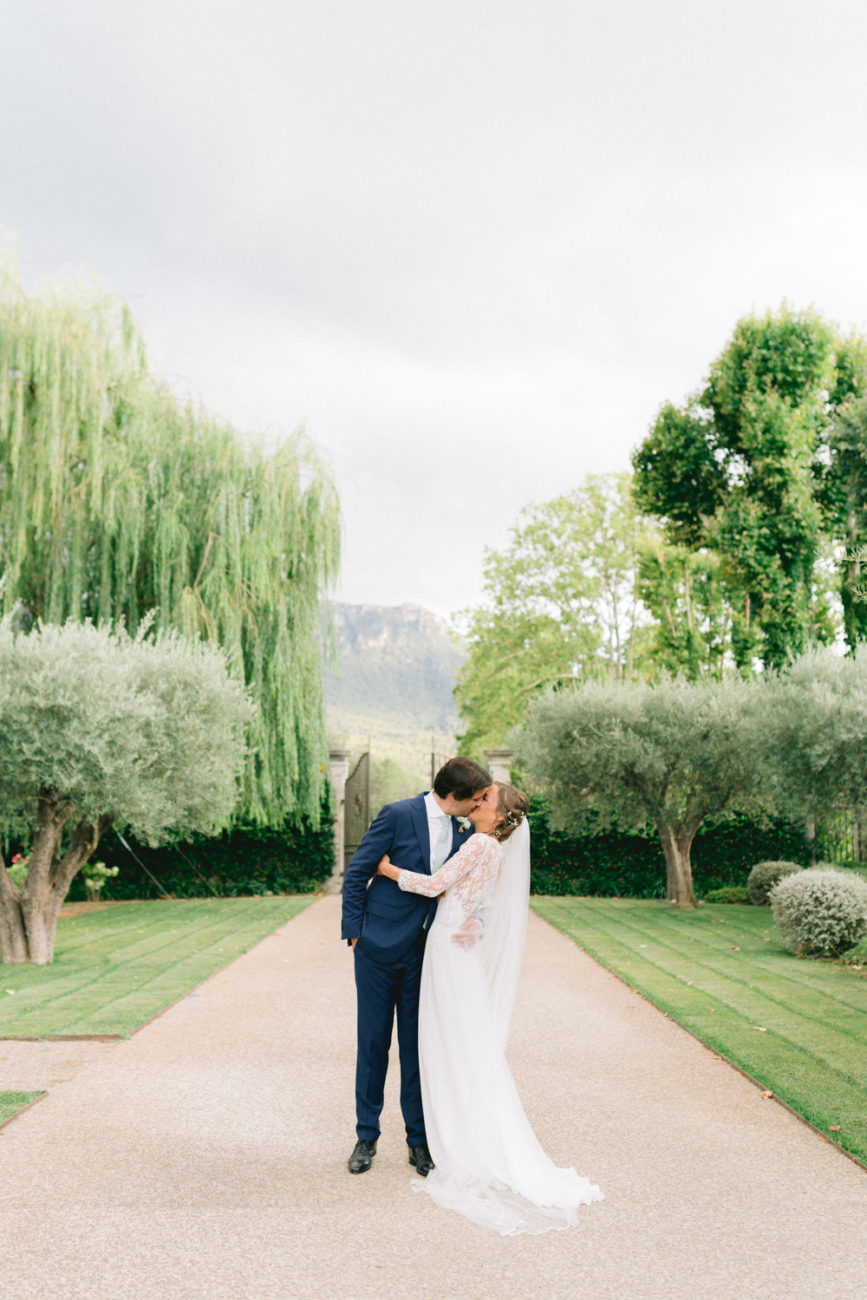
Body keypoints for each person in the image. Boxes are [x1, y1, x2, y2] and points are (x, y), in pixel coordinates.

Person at [376, 783, 604, 1234]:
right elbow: (476, 903)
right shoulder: (492, 849)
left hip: (445, 947)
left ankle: (457, 1140)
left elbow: (436, 884)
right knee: (460, 1039)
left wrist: (386, 869)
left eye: (487, 800)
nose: (478, 801)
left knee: (448, 1039)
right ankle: (458, 1130)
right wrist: (472, 923)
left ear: (500, 818)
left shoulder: (480, 843)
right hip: (456, 948)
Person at [341, 755, 492, 1176]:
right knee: (373, 1044)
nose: (480, 805)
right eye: (476, 798)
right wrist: (355, 932)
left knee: (417, 1049)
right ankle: (365, 1137)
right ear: (455, 796)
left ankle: (419, 1142)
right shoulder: (397, 814)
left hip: (427, 954)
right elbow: (357, 872)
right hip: (377, 948)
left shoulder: (466, 830)